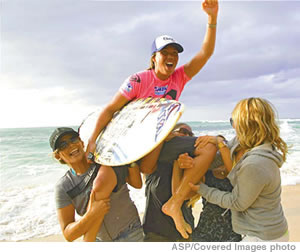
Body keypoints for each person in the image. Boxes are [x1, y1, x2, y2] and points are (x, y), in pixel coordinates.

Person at [84, 1, 219, 232]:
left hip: (162, 137)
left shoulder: (179, 77)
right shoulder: (138, 80)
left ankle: (175, 204)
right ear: (153, 58)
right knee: (135, 174)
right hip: (139, 143)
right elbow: (109, 110)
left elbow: (205, 53)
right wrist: (93, 140)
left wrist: (212, 19)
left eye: (174, 53)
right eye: (165, 53)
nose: (171, 57)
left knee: (211, 146)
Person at [189, 97, 289, 242]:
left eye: (233, 122)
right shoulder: (242, 143)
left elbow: (237, 203)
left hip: (263, 237)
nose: (233, 127)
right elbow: (217, 158)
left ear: (245, 125)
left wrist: (202, 189)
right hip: (260, 230)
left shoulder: (255, 164)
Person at [50, 127, 144, 242]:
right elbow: (69, 235)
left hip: (131, 232)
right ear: (57, 156)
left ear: (81, 142)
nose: (71, 145)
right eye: (63, 145)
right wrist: (91, 214)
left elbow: (137, 184)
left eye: (73, 139)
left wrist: (129, 159)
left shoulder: (106, 162)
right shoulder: (64, 187)